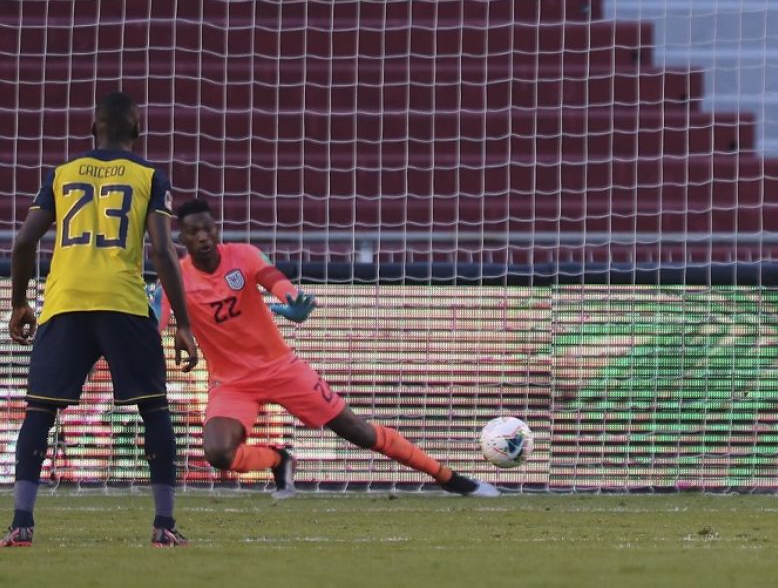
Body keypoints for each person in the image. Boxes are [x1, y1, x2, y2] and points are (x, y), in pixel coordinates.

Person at [154, 198, 498, 498]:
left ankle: (448, 477)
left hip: (281, 368)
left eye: (208, 229)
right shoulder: (176, 278)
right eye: (193, 232)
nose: (202, 237)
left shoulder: (242, 255)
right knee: (217, 452)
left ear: (216, 230)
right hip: (231, 382)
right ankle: (279, 459)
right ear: (181, 239)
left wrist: (291, 300)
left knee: (358, 432)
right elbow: (156, 319)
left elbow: (276, 281)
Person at [4, 92, 198, 548]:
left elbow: (22, 244)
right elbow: (163, 251)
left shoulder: (61, 174)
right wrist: (183, 324)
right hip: (122, 301)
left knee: (39, 410)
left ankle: (21, 525)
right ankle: (164, 526)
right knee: (153, 409)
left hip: (65, 300)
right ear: (138, 131)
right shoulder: (150, 176)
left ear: (93, 129)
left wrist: (18, 303)